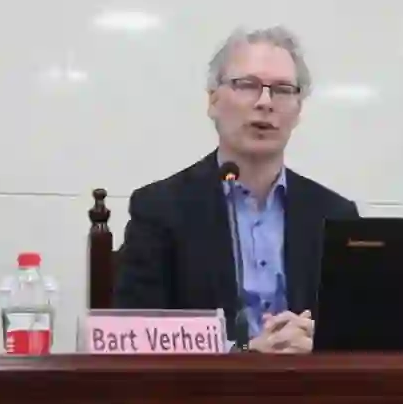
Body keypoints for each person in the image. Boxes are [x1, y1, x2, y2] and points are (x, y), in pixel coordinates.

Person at [113, 25, 359, 353]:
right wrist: (240, 355)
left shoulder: (335, 215)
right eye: (247, 85)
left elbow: (360, 334)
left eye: (283, 89)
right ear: (213, 100)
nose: (265, 102)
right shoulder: (160, 209)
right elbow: (135, 337)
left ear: (298, 109)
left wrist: (321, 345)